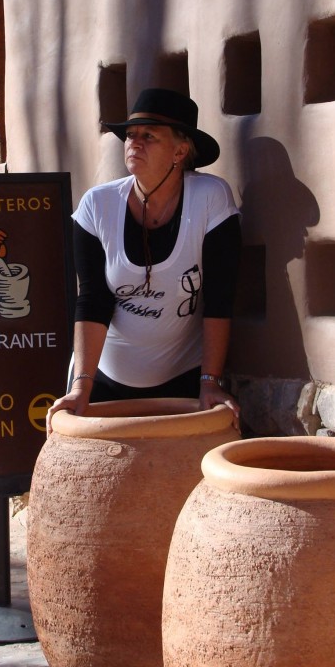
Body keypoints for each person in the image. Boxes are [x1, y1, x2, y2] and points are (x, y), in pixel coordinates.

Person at [47, 88, 241, 435]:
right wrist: (81, 386)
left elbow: (220, 296)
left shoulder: (211, 199)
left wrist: (210, 381)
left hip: (183, 377)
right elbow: (92, 301)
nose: (134, 143)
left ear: (180, 151)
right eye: (131, 136)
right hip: (104, 378)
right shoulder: (97, 206)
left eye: (149, 136)